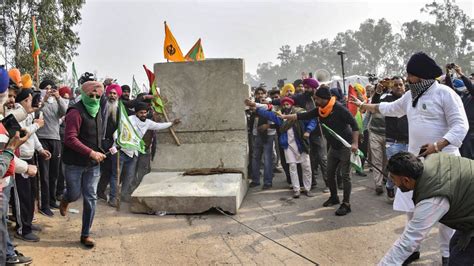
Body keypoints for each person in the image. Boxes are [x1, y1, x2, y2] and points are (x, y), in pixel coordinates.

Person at [354, 52, 469, 264]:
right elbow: (389, 109)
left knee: (446, 219)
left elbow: (461, 126)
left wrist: (438, 145)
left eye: (410, 75)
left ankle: (447, 256)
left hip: (445, 164)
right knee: (410, 209)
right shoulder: (410, 96)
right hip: (415, 164)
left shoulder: (445, 94)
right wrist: (365, 106)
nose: (407, 79)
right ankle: (412, 251)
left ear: (422, 75)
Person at [379, 152, 474, 265]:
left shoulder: (433, 198)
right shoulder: (432, 158)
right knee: (455, 245)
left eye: (394, 179)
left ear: (406, 180)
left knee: (458, 261)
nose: (393, 183)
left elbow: (409, 240)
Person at [282, 85, 359, 216]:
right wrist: (285, 117)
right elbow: (302, 115)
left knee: (345, 176)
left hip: (345, 146)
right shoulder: (320, 110)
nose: (315, 100)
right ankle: (334, 197)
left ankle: (346, 204)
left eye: (317, 98)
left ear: (324, 99)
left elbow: (355, 125)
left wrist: (355, 143)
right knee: (329, 173)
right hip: (333, 147)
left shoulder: (339, 108)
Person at [59, 81, 107, 248]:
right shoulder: (75, 112)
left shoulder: (99, 110)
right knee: (74, 194)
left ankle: (85, 234)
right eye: (91, 96)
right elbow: (70, 138)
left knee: (91, 197)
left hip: (93, 164)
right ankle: (66, 198)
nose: (94, 99)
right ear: (84, 95)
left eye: (98, 96)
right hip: (74, 163)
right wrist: (91, 152)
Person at [246, 97, 316, 198]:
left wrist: (308, 131)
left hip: (301, 144)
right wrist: (255, 108)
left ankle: (307, 189)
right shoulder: (280, 116)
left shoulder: (300, 113)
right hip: (288, 145)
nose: (285, 106)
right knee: (292, 167)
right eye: (283, 104)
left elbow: (312, 120)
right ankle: (296, 190)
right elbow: (268, 114)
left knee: (306, 167)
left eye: (287, 104)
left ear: (292, 105)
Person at [111, 102, 179, 202]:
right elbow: (116, 133)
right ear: (136, 113)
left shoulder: (147, 122)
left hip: (133, 152)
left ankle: (124, 196)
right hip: (121, 151)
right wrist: (117, 141)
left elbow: (158, 126)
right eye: (141, 113)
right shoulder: (129, 120)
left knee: (129, 176)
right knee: (116, 176)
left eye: (145, 112)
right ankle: (113, 198)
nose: (143, 114)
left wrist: (171, 123)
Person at [36, 79, 68, 217]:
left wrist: (58, 97)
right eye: (46, 88)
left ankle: (51, 200)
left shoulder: (56, 102)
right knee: (44, 174)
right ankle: (44, 205)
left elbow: (63, 112)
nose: (49, 90)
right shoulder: (39, 101)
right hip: (42, 139)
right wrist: (44, 98)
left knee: (54, 173)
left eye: (52, 88)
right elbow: (36, 112)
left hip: (55, 139)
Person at [381, 77, 409, 200]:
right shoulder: (386, 98)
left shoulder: (409, 98)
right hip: (393, 142)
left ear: (404, 86)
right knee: (395, 169)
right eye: (396, 85)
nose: (398, 87)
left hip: (409, 141)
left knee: (408, 169)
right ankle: (389, 186)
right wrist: (377, 92)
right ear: (391, 86)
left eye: (401, 84)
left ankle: (405, 195)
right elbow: (377, 103)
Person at [97, 84, 121, 203]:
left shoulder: (120, 109)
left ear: (118, 96)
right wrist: (104, 84)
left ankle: (113, 197)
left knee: (114, 169)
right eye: (110, 93)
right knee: (103, 168)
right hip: (102, 141)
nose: (112, 95)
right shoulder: (103, 105)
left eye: (114, 93)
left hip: (114, 143)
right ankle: (99, 191)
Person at [444, 64, 474, 159]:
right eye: (471, 78)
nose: (471, 80)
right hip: (462, 133)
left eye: (472, 78)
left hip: (471, 134)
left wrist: (461, 74)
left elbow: (471, 87)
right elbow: (451, 90)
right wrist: (448, 74)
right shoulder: (465, 94)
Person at [248, 87, 275, 189]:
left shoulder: (269, 105)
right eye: (258, 94)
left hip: (268, 134)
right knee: (255, 158)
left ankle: (267, 182)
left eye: (262, 93)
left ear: (265, 94)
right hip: (256, 134)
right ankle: (255, 180)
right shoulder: (253, 106)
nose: (260, 95)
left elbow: (277, 121)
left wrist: (268, 126)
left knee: (267, 159)